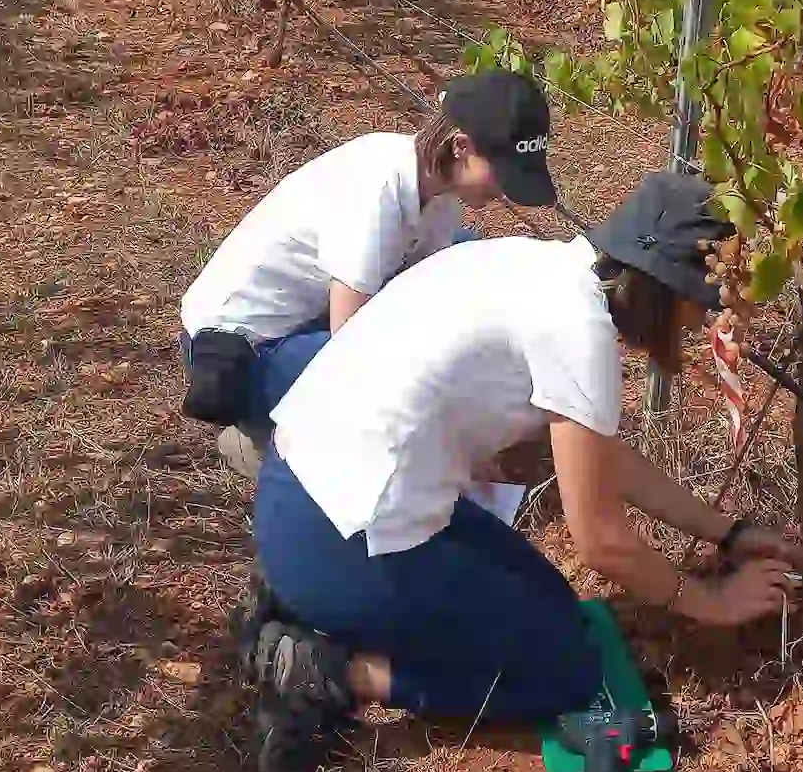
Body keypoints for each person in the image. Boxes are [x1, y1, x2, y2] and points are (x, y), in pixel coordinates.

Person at [241, 170, 803, 772]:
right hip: (336, 536)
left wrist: (726, 533)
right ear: (662, 288)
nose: (703, 323)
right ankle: (327, 672)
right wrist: (712, 602)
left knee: (553, 615)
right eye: (702, 303)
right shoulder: (579, 332)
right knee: (561, 671)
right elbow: (602, 543)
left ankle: (311, 603)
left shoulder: (536, 269)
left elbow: (603, 458)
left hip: (295, 497)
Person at [179, 70, 557, 476]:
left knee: (467, 267)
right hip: (239, 353)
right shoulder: (376, 194)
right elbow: (353, 351)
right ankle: (272, 445)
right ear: (461, 147)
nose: (504, 189)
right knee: (402, 391)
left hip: (308, 317)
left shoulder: (438, 190)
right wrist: (461, 444)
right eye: (502, 170)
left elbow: (429, 294)